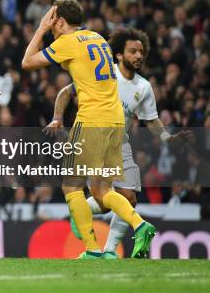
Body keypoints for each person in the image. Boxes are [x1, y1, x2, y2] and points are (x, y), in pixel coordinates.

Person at [21, 0, 155, 259]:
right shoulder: (98, 38)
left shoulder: (67, 42)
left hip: (92, 119)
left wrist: (40, 29)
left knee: (71, 187)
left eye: (53, 20)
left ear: (59, 21)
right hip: (115, 120)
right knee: (102, 190)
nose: (51, 24)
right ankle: (140, 225)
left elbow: (27, 61)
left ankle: (93, 250)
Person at [48, 28, 189, 258]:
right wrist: (57, 117)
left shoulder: (143, 87)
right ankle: (92, 222)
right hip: (94, 136)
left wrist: (167, 137)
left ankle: (108, 249)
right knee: (104, 194)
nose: (138, 56)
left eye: (141, 52)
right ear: (119, 55)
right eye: (132, 51)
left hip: (119, 143)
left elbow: (150, 119)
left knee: (127, 197)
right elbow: (66, 92)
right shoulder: (104, 74)